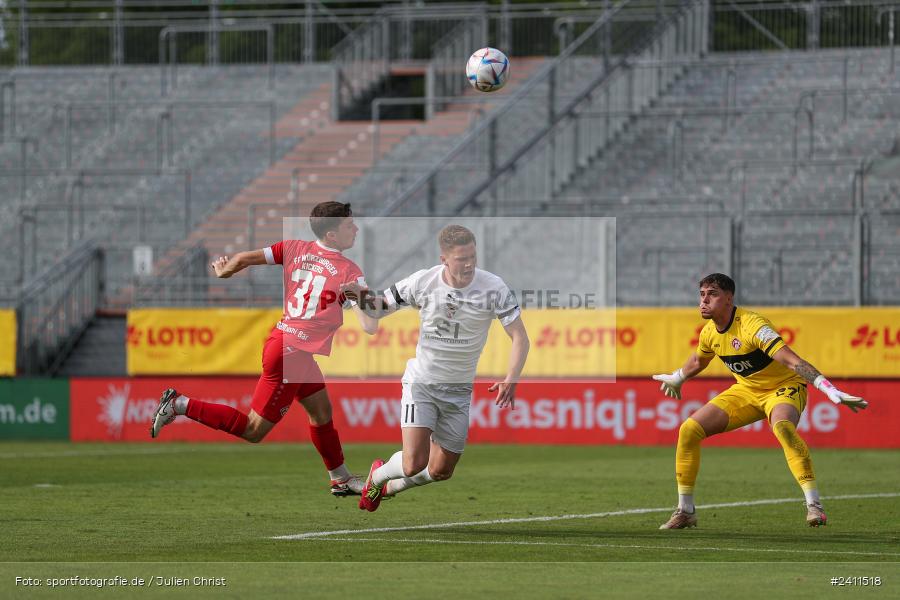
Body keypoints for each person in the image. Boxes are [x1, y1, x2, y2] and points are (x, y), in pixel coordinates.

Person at [150, 201, 378, 497]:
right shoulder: (349, 271)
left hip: (285, 344)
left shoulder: (294, 247)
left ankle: (340, 478)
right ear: (333, 235)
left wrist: (225, 272)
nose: (356, 229)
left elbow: (244, 257)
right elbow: (370, 326)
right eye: (350, 225)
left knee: (321, 412)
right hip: (291, 354)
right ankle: (179, 404)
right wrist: (366, 302)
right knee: (253, 430)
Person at [652, 273, 868, 529]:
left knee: (783, 428)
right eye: (701, 295)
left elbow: (792, 361)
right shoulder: (709, 333)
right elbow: (699, 361)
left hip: (784, 387)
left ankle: (814, 505)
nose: (704, 301)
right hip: (747, 391)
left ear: (729, 298)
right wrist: (678, 377)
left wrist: (829, 389)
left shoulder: (753, 325)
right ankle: (685, 511)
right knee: (689, 430)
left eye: (712, 294)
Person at [341, 224, 530, 512]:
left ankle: (391, 486)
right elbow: (379, 308)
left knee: (441, 470)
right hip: (423, 383)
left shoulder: (493, 287)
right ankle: (377, 476)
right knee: (413, 462)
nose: (468, 264)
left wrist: (511, 379)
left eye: (472, 257)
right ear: (444, 259)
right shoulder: (423, 282)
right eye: (461, 259)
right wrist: (360, 295)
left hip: (458, 390)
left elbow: (520, 337)